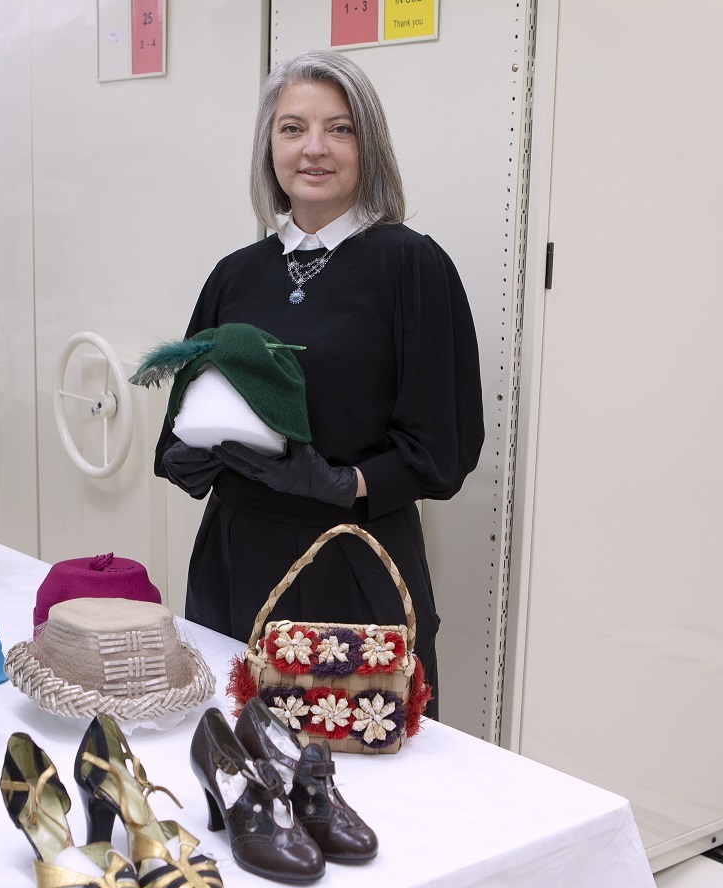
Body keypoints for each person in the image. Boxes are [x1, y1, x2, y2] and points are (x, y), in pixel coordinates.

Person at [155, 49, 483, 719]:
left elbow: (443, 450)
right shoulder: (235, 274)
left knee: (364, 778)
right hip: (233, 563)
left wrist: (343, 484)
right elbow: (178, 424)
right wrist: (193, 453)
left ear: (369, 146)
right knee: (234, 759)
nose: (314, 149)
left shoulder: (410, 266)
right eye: (292, 128)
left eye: (340, 128)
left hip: (354, 566)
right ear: (268, 146)